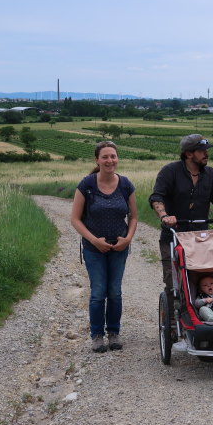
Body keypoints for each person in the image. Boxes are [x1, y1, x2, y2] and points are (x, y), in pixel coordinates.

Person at [71, 141, 138, 353]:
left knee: (115, 292)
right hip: (94, 248)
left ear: (117, 158)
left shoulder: (126, 184)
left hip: (119, 247)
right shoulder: (87, 185)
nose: (110, 160)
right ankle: (97, 335)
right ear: (97, 160)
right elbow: (75, 219)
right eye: (105, 157)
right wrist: (94, 240)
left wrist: (127, 239)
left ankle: (114, 333)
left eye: (113, 156)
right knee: (99, 292)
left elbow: (134, 216)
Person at [148, 134, 213, 299]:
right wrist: (164, 216)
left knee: (201, 277)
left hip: (199, 237)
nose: (206, 154)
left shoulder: (211, 174)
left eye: (206, 150)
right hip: (173, 235)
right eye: (201, 151)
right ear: (188, 154)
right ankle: (173, 319)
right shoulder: (170, 171)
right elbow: (157, 197)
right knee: (173, 282)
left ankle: (202, 315)